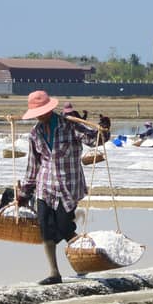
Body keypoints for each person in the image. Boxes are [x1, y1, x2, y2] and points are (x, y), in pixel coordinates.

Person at [19, 89, 100, 285]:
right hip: (44, 186)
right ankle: (54, 272)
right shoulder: (35, 133)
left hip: (68, 186)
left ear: (50, 109)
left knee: (64, 227)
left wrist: (104, 130)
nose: (39, 116)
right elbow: (33, 164)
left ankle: (86, 256)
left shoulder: (70, 126)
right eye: (36, 113)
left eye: (42, 111)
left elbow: (94, 140)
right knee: (45, 229)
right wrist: (25, 190)